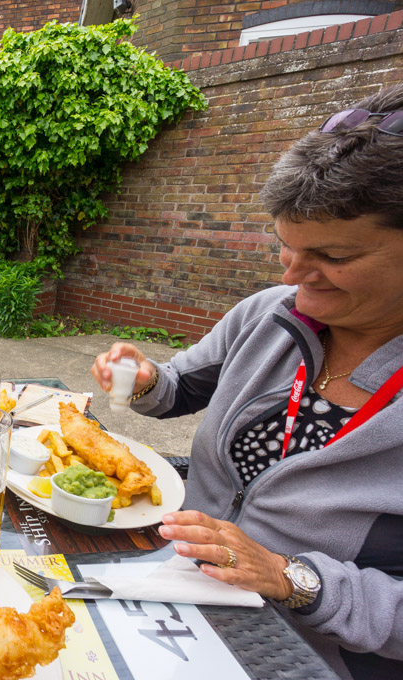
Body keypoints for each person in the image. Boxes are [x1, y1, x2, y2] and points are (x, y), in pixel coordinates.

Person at [90, 86, 403, 679]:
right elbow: (181, 387)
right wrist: (146, 380)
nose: (292, 274)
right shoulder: (267, 316)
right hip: (173, 598)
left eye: (333, 256)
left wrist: (291, 577)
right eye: (285, 245)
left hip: (299, 655)